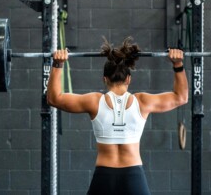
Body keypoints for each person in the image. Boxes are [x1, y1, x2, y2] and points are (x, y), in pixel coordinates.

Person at [47, 37, 188, 195]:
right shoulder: (142, 102)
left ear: (104, 79)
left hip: (104, 177)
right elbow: (181, 97)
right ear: (128, 79)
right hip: (133, 176)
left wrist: (58, 64)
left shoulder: (94, 102)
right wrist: (178, 65)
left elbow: (54, 98)